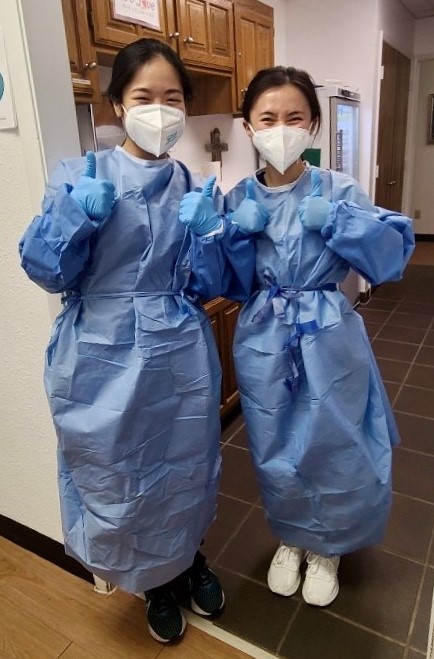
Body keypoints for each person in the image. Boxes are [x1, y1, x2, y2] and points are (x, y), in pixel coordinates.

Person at [19, 38, 253, 643]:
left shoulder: (194, 183)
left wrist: (212, 234)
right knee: (120, 472)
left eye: (172, 98)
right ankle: (152, 583)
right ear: (118, 104)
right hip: (99, 353)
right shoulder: (79, 175)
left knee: (184, 467)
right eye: (144, 96)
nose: (159, 109)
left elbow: (213, 283)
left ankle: (189, 559)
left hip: (178, 352)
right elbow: (45, 270)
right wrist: (78, 217)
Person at [179, 66, 415, 607]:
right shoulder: (238, 197)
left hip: (329, 333)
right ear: (248, 125)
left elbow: (390, 256)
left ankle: (329, 545)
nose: (281, 128)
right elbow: (220, 284)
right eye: (268, 118)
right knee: (274, 443)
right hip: (264, 334)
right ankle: (292, 536)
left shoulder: (337, 189)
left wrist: (336, 222)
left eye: (294, 117)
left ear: (312, 126)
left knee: (335, 441)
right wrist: (226, 233)